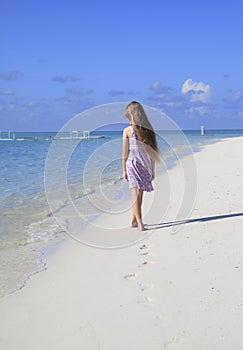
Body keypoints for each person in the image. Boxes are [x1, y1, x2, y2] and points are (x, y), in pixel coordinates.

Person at [122, 101, 160, 231]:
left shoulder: (127, 131)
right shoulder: (148, 131)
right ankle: (135, 220)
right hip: (144, 165)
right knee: (140, 195)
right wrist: (152, 170)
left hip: (132, 165)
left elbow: (124, 153)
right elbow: (153, 152)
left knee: (135, 194)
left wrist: (124, 170)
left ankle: (139, 222)